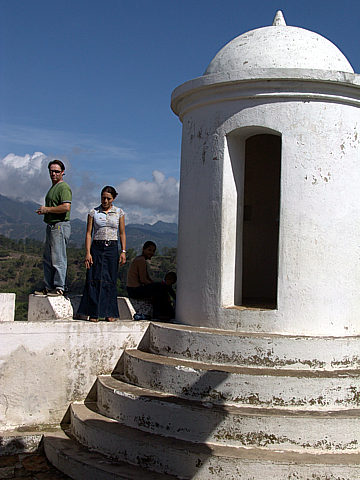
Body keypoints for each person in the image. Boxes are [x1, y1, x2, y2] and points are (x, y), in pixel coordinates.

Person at [76, 186, 126, 322]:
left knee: (110, 279)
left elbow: (122, 233)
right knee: (94, 278)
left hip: (112, 247)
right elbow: (88, 233)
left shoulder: (119, 213)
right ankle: (94, 312)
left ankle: (110, 312)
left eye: (108, 198)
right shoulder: (93, 212)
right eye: (103, 198)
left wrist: (123, 251)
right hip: (97, 247)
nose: (105, 200)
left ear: (113, 199)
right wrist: (87, 252)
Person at [35, 159, 72, 296]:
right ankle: (49, 285)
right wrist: (45, 211)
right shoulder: (52, 188)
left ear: (62, 172)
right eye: (51, 171)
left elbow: (66, 207)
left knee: (58, 257)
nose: (53, 174)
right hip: (51, 225)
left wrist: (47, 210)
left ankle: (59, 287)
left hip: (59, 225)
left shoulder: (63, 188)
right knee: (48, 258)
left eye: (56, 171)